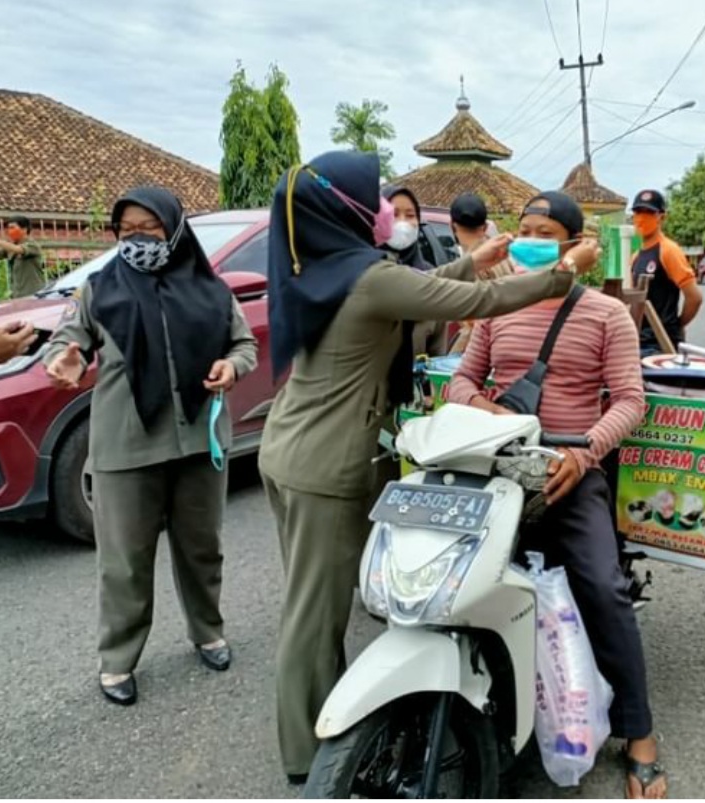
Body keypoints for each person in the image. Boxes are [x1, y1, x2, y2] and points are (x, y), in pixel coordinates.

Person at [257, 150, 595, 784]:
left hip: (296, 448)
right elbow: (467, 300)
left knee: (327, 599)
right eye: (377, 198)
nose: (389, 210)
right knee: (314, 613)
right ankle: (314, 760)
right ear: (346, 208)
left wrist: (476, 258)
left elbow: (428, 294)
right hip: (326, 461)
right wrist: (561, 274)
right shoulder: (368, 277)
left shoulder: (327, 267)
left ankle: (351, 723)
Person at [448, 190, 667, 799]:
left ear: (573, 244)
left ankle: (639, 730)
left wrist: (583, 452)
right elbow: (461, 380)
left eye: (545, 230)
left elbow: (630, 400)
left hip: (572, 469)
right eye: (525, 228)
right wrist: (487, 408)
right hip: (497, 468)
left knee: (603, 585)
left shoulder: (604, 314)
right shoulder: (496, 307)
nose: (531, 239)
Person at [43, 186, 258, 706]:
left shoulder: (211, 289)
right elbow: (67, 341)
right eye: (127, 232)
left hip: (197, 444)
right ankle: (117, 660)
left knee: (202, 549)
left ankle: (207, 631)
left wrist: (232, 367)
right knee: (124, 562)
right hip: (126, 448)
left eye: (150, 229)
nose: (138, 240)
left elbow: (244, 344)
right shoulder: (100, 290)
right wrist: (64, 358)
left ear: (174, 229)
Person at [629, 189, 701, 355]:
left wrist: (677, 325)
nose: (642, 217)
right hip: (638, 341)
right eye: (638, 212)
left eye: (649, 212)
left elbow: (695, 298)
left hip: (661, 345)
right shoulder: (636, 255)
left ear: (661, 217)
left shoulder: (668, 250)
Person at [380, 184, 447, 357]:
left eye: (410, 215)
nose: (402, 223)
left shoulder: (430, 278)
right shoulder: (362, 274)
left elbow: (437, 356)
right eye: (394, 214)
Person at [448, 191, 515, 354]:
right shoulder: (504, 256)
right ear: (485, 227)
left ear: (452, 225)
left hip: (481, 347)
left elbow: (473, 322)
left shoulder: (470, 265)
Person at [0, 215, 46, 298]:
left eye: (13, 228)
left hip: (34, 294)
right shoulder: (10, 245)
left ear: (24, 229)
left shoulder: (33, 245)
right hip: (17, 294)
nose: (9, 231)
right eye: (8, 228)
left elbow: (18, 249)